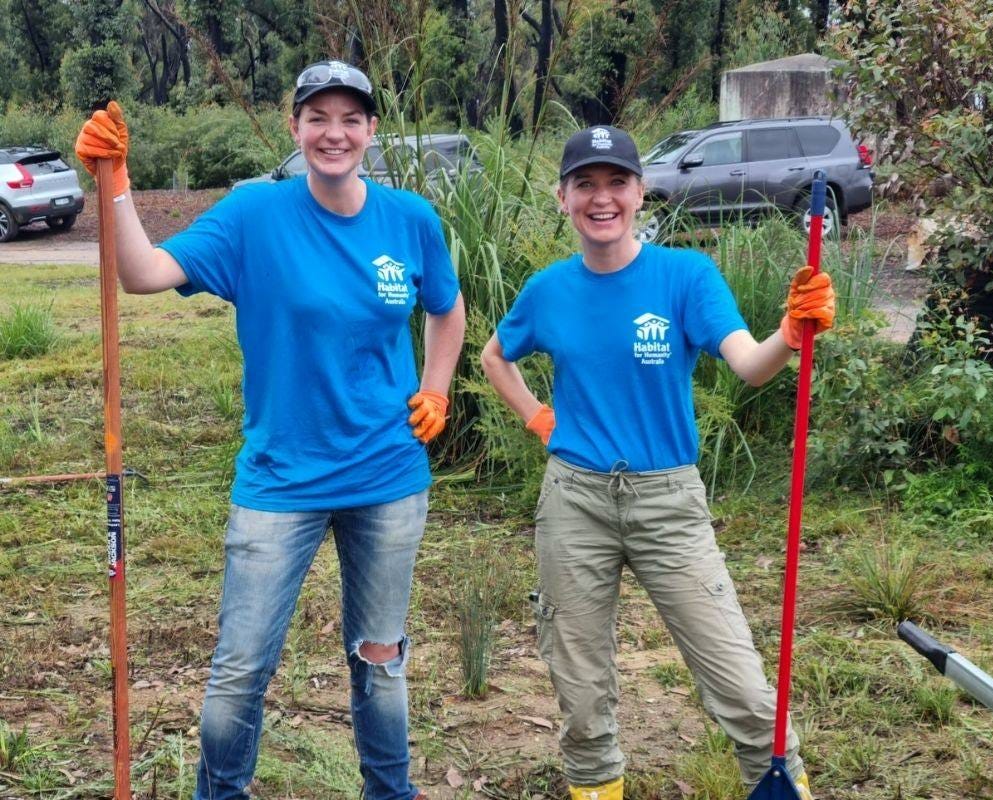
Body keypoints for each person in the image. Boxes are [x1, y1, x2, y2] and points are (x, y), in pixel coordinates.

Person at [75, 60, 466, 800]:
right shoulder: (254, 215)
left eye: (351, 118)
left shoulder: (410, 219)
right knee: (241, 668)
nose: (334, 132)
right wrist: (116, 180)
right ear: (295, 128)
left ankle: (392, 792)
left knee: (380, 660)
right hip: (280, 481)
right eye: (318, 117)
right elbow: (143, 273)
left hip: (388, 475)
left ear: (371, 130)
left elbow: (447, 308)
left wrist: (436, 388)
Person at [480, 126, 834, 800]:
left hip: (667, 501)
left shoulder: (685, 276)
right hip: (575, 500)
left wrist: (787, 335)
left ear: (642, 193)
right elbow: (496, 356)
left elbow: (748, 365)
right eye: (586, 184)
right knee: (581, 690)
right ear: (563, 198)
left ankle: (781, 784)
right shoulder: (549, 290)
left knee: (740, 682)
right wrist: (537, 417)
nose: (602, 198)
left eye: (617, 183)